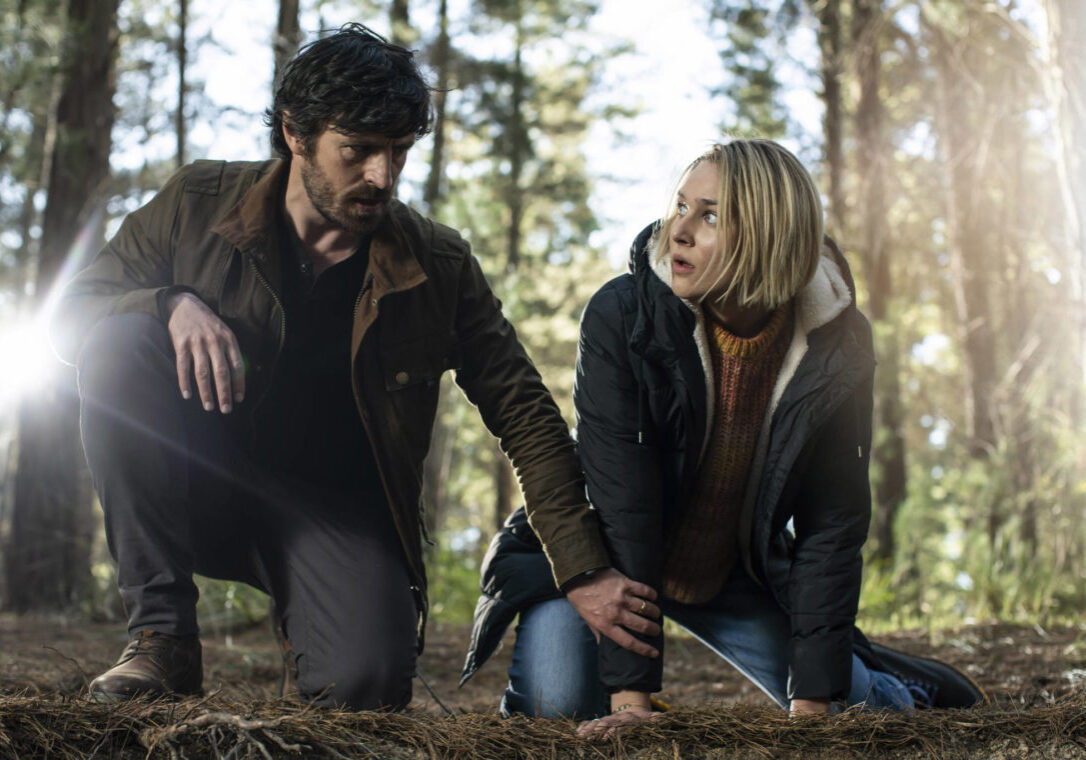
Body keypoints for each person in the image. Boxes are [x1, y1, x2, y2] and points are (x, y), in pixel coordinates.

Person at [49, 23, 608, 709]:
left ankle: (319, 625)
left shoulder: (437, 263)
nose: (383, 176)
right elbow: (71, 315)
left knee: (363, 685)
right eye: (360, 150)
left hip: (333, 512)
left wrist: (581, 567)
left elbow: (524, 412)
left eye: (398, 152)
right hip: (195, 480)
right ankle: (163, 639)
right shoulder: (197, 205)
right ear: (295, 133)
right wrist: (166, 304)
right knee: (116, 342)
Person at [461, 139, 985, 734]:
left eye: (709, 215)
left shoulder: (837, 342)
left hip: (731, 570)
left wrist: (813, 709)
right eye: (679, 206)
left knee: (853, 712)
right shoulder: (622, 314)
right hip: (605, 558)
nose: (676, 231)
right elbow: (622, 505)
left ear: (767, 235)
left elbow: (831, 524)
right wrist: (630, 703)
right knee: (553, 714)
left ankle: (901, 684)